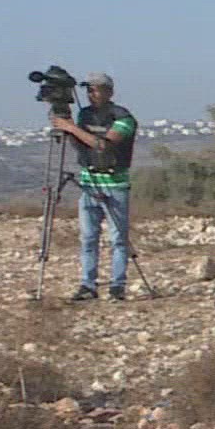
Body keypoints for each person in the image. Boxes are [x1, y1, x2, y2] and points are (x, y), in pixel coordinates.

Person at [48, 72, 137, 301]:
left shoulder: (123, 118)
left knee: (118, 239)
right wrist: (65, 126)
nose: (91, 94)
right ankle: (88, 285)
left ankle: (117, 286)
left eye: (95, 89)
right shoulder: (85, 115)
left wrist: (71, 127)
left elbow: (103, 146)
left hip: (115, 184)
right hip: (89, 183)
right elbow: (81, 145)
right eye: (88, 90)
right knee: (88, 238)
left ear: (109, 92)